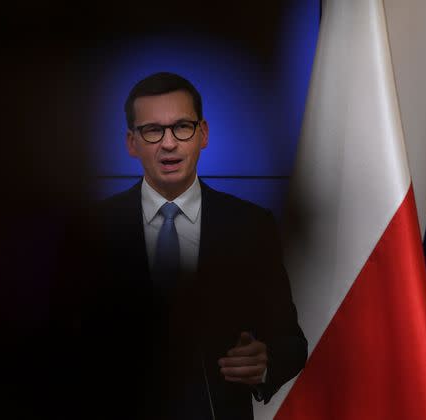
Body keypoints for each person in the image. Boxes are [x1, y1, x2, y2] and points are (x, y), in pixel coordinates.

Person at [83, 72, 307, 419]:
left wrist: (263, 364)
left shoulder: (251, 225)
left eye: (182, 127)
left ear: (202, 134)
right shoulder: (92, 228)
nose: (169, 143)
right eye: (153, 130)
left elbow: (290, 344)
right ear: (132, 143)